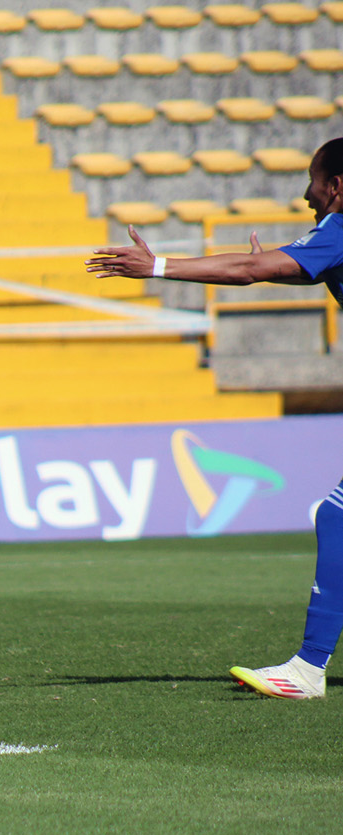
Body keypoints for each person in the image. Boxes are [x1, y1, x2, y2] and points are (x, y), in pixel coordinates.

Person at [86, 136, 343, 700]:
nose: (307, 194)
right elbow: (266, 267)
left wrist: (156, 266)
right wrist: (269, 265)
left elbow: (249, 270)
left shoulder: (340, 228)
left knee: (337, 516)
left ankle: (307, 669)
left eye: (312, 180)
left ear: (337, 186)